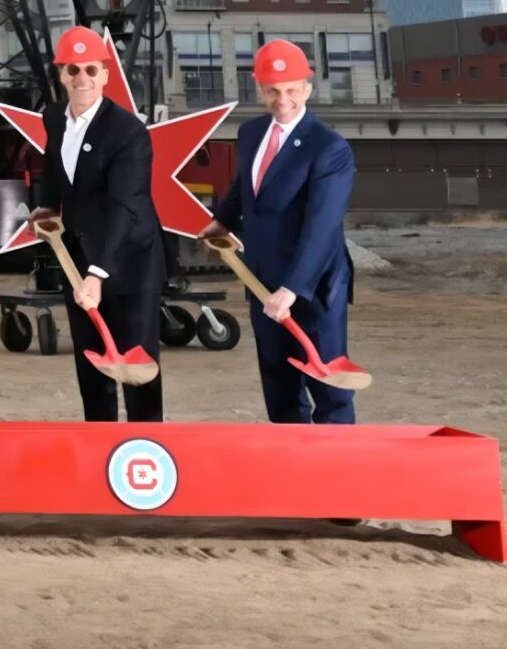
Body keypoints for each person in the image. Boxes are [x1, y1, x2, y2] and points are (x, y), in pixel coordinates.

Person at [202, 39, 359, 424]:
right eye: (272, 90)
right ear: (259, 89)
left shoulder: (329, 149)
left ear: (307, 87)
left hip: (313, 286)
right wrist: (222, 218)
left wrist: (292, 288)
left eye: (291, 90)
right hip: (261, 278)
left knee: (327, 384)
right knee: (278, 380)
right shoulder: (252, 133)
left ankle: (337, 469)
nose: (282, 100)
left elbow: (322, 226)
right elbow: (246, 185)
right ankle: (293, 463)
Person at [31, 25, 164, 423]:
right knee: (92, 366)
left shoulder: (128, 133)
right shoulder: (54, 117)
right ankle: (98, 444)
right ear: (61, 75)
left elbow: (126, 206)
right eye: (72, 70)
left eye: (91, 69)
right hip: (79, 258)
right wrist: (45, 207)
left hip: (129, 263)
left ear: (105, 74)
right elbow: (54, 167)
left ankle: (145, 450)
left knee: (137, 371)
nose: (82, 79)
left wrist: (97, 274)